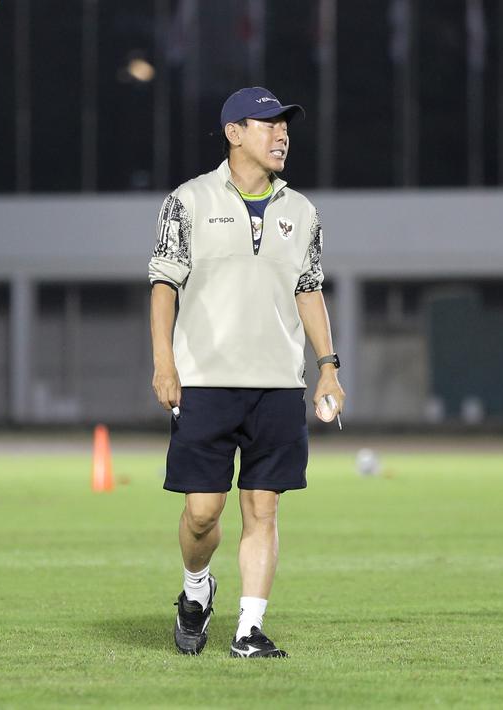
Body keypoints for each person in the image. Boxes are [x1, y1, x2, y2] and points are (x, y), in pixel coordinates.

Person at [148, 87, 346, 658]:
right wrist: (164, 362)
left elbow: (309, 291)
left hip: (279, 384)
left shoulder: (303, 211)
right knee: (202, 513)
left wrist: (328, 368)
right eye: (267, 124)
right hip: (205, 381)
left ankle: (249, 629)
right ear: (234, 132)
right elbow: (164, 286)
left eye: (285, 126)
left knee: (264, 507)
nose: (281, 134)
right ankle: (195, 589)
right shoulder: (185, 201)